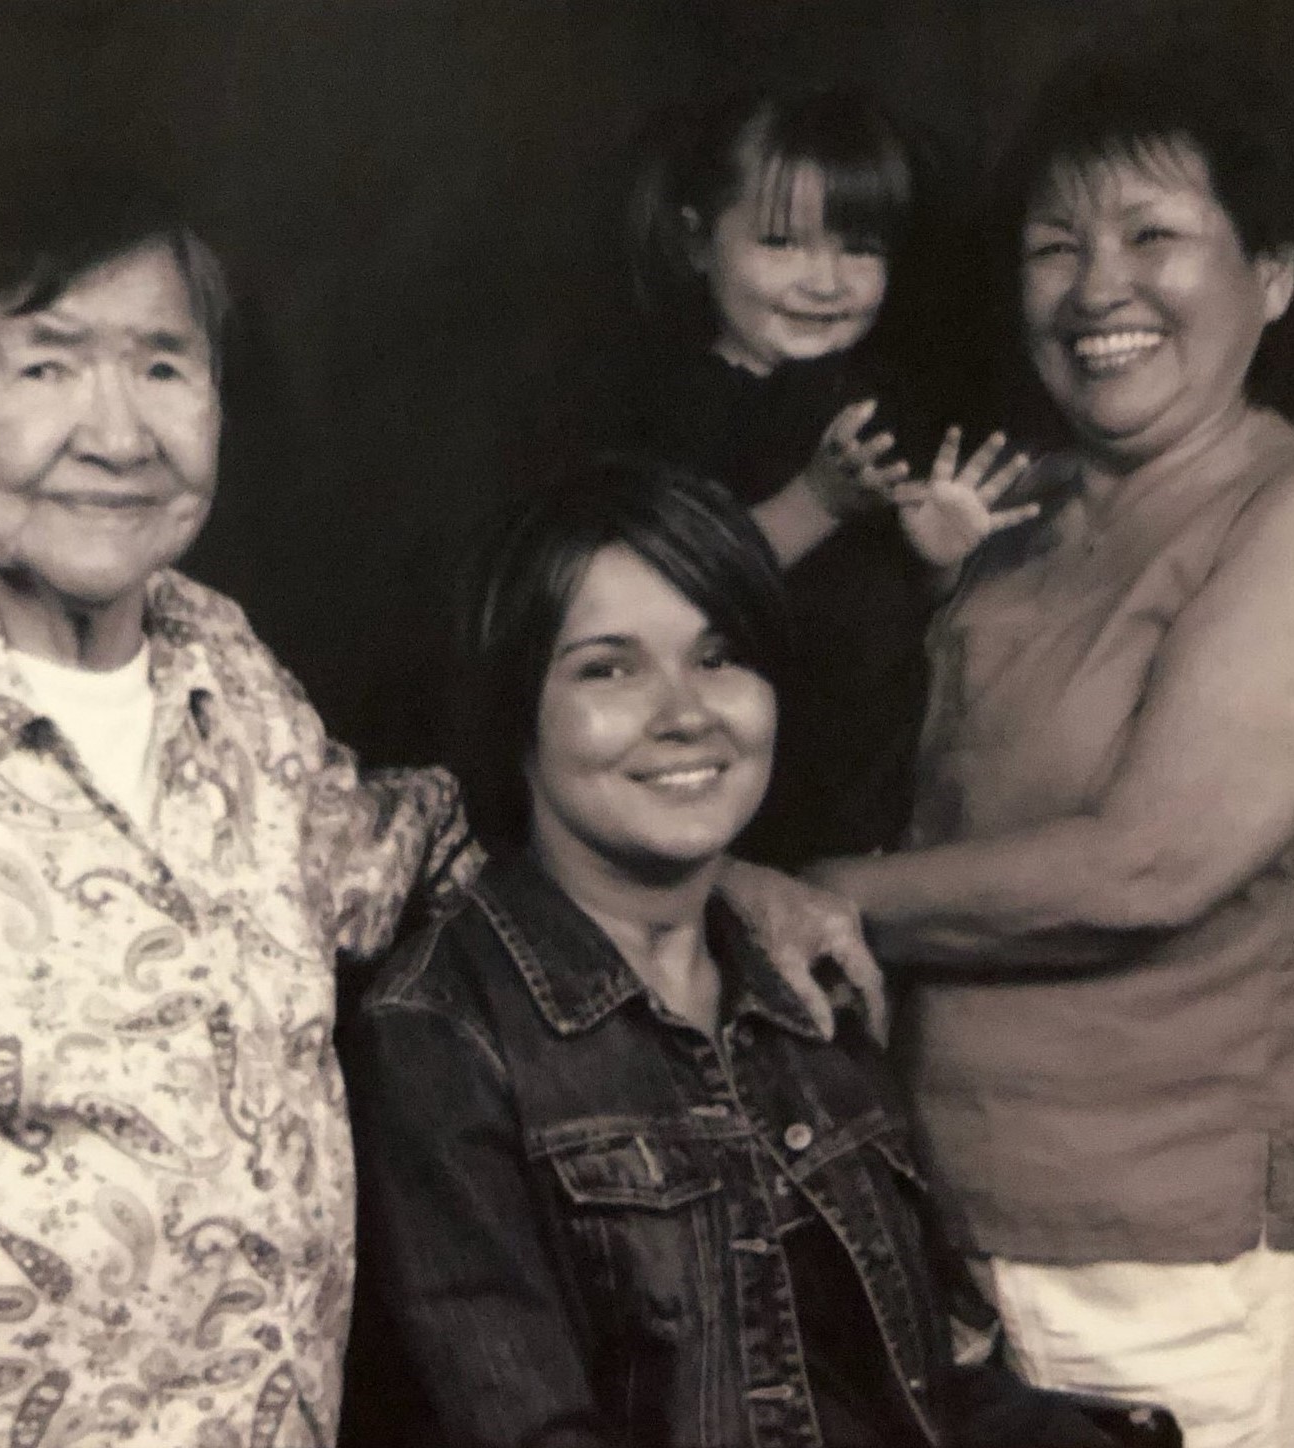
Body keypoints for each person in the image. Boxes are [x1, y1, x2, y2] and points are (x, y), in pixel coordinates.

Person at [0, 147, 881, 1448]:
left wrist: (729, 878)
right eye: (45, 366)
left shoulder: (229, 672)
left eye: (162, 365)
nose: (118, 431)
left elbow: (421, 853)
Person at [342, 457, 1140, 1448]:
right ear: (517, 710)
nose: (685, 710)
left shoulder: (806, 980)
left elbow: (923, 1382)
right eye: (608, 666)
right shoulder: (442, 1029)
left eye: (720, 654)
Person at [806, 36, 1294, 1447]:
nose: (1096, 289)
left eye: (1152, 234)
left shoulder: (1273, 518)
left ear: (1269, 273)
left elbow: (1148, 863)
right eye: (1051, 246)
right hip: (934, 1235)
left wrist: (810, 891)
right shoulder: (1002, 502)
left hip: (1156, 1264)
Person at [622, 81, 1035, 868]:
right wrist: (816, 501)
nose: (826, 280)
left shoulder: (877, 399)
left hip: (875, 798)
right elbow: (668, 594)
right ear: (697, 242)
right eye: (781, 243)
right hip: (741, 808)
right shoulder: (678, 407)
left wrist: (934, 558)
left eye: (858, 248)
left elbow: (886, 597)